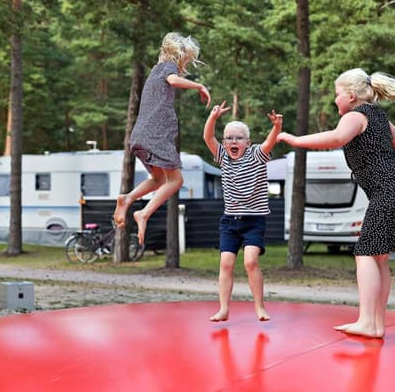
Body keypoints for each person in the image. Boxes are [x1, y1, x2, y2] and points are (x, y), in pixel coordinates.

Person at [277, 68, 395, 339]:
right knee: (378, 258)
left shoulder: (355, 116)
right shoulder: (378, 115)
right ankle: (376, 324)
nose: (335, 100)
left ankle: (368, 322)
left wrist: (295, 140)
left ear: (351, 96)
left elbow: (336, 138)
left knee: (365, 253)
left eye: (337, 94)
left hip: (390, 190)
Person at [113, 32, 211, 244]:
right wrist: (199, 86)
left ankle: (127, 198)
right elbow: (173, 80)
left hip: (140, 137)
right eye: (186, 60)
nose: (186, 65)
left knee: (159, 180)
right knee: (176, 180)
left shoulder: (155, 71)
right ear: (179, 56)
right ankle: (143, 213)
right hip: (155, 136)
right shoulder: (168, 67)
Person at [203, 101, 283, 322]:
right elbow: (208, 137)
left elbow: (269, 142)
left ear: (248, 142)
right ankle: (223, 309)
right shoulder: (223, 157)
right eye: (229, 138)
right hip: (230, 221)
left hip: (254, 221)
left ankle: (260, 307)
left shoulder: (257, 154)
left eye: (239, 138)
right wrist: (213, 117)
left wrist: (276, 127)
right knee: (226, 263)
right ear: (224, 143)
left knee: (250, 262)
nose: (233, 141)